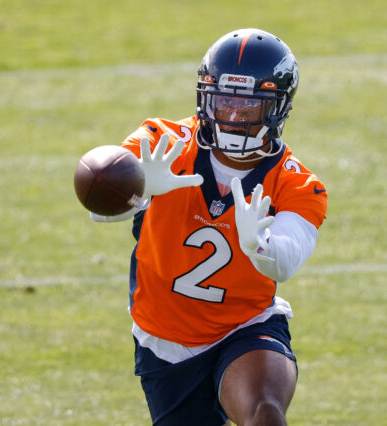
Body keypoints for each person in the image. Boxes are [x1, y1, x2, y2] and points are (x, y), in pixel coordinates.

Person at [89, 28, 327, 426]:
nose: (233, 115)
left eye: (249, 105)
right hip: (164, 339)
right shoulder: (159, 141)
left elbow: (285, 261)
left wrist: (260, 247)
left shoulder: (297, 183)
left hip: (246, 325)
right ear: (205, 97)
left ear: (277, 108)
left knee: (264, 413)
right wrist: (138, 191)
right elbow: (98, 207)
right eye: (225, 100)